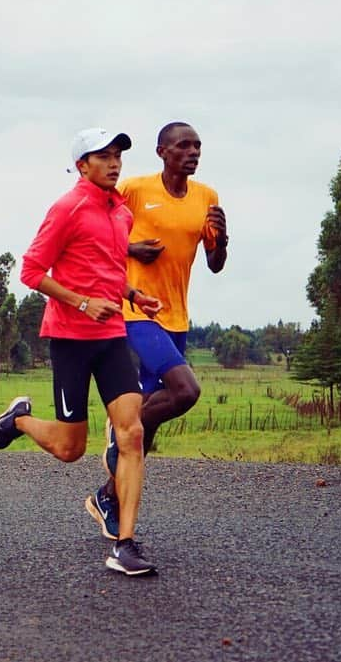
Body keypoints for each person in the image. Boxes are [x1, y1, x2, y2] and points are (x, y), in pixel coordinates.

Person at [0, 129, 163, 575]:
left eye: (117, 156)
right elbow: (31, 271)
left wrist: (132, 294)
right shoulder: (67, 208)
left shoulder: (120, 213)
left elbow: (104, 268)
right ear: (82, 164)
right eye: (103, 156)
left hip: (111, 338)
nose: (114, 163)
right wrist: (83, 302)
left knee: (133, 434)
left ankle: (125, 544)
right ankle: (18, 420)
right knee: (71, 448)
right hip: (70, 338)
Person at [84, 121, 228, 535]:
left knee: (145, 429)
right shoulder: (134, 189)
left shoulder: (207, 197)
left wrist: (223, 238)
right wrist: (129, 248)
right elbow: (94, 226)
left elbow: (215, 264)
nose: (193, 152)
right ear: (162, 151)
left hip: (176, 317)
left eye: (197, 146)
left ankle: (107, 496)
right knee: (186, 391)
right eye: (183, 146)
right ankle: (120, 434)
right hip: (134, 310)